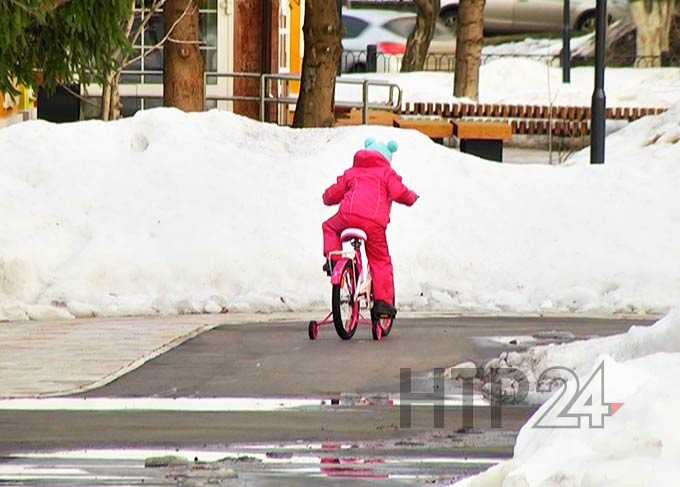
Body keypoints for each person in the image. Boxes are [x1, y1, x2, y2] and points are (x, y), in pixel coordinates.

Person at [321, 137, 418, 319]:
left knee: (329, 227)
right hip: (373, 223)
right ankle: (383, 304)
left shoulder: (352, 172)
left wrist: (326, 197)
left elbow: (333, 193)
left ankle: (334, 260)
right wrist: (411, 197)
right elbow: (399, 192)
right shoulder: (386, 173)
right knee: (379, 260)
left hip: (346, 217)